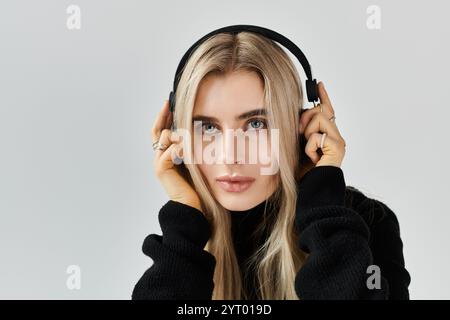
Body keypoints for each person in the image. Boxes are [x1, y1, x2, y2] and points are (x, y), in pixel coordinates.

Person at [131, 31, 411, 300]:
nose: (230, 157)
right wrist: (184, 226)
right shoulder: (185, 237)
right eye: (208, 127)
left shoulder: (364, 223)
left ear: (300, 130)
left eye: (256, 124)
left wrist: (321, 200)